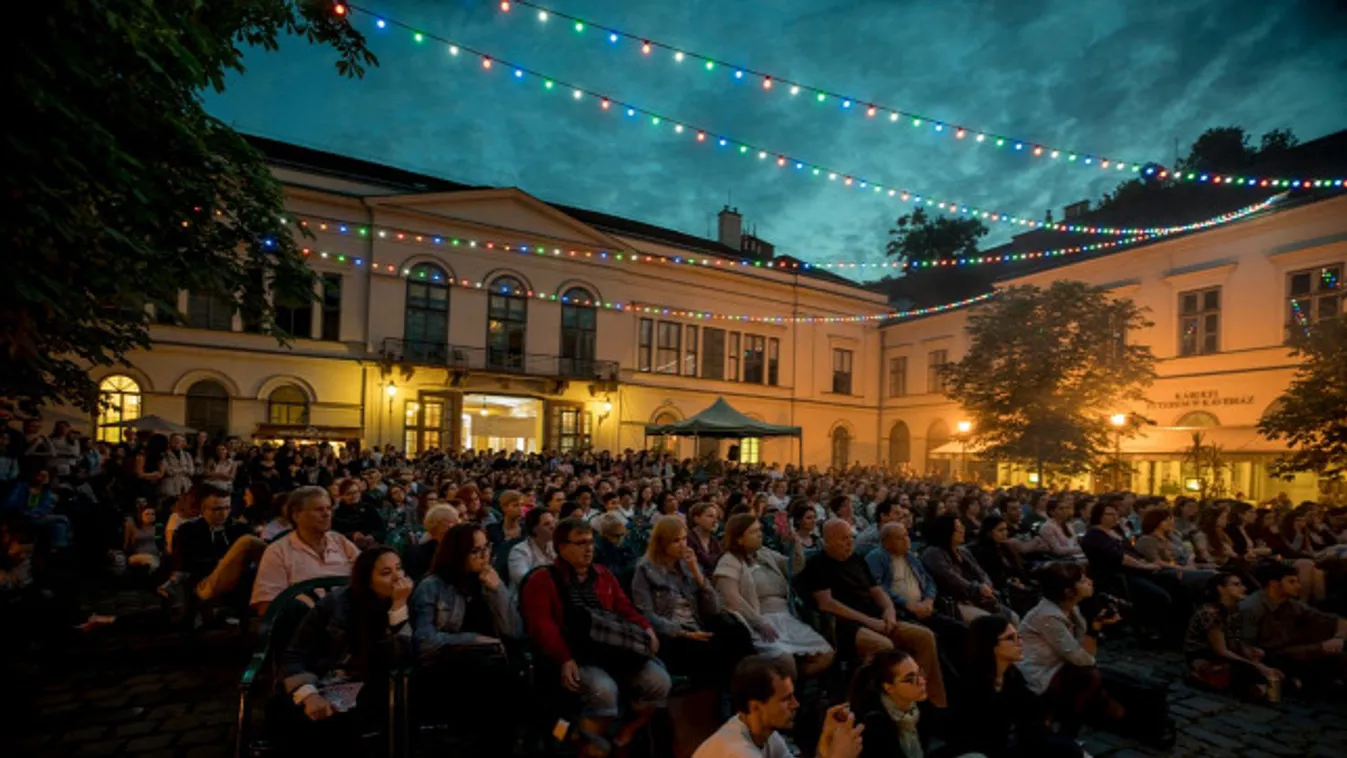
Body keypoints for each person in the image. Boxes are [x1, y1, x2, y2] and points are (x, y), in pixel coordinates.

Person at [520, 517, 671, 757]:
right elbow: (542, 627)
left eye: (591, 542)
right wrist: (564, 658)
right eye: (581, 543)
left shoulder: (603, 574)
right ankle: (584, 744)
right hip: (575, 654)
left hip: (610, 650)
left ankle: (625, 730)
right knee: (604, 690)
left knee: (659, 681)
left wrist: (646, 628)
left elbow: (625, 608)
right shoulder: (542, 580)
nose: (589, 548)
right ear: (562, 547)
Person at [795, 519, 947, 708]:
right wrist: (868, 621)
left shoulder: (857, 559)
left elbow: (877, 591)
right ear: (829, 540)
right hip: (845, 625)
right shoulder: (817, 564)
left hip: (877, 618)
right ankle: (888, 704)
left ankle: (929, 700)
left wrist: (889, 611)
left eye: (850, 537)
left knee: (924, 637)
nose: (849, 543)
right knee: (884, 646)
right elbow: (827, 604)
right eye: (843, 539)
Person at [278, 546, 412, 751]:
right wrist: (309, 695)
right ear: (367, 579)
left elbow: (400, 658)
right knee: (296, 716)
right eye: (386, 572)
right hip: (323, 678)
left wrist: (398, 608)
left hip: (370, 685)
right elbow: (295, 653)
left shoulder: (407, 601)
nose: (398, 578)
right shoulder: (336, 604)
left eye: (399, 568)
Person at [410, 523, 520, 750]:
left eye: (486, 547)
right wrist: (475, 640)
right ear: (457, 553)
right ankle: (557, 729)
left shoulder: (488, 580)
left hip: (492, 662)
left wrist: (498, 591)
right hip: (448, 665)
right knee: (496, 680)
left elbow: (514, 630)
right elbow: (425, 643)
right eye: (475, 551)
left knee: (503, 677)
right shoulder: (432, 586)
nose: (484, 556)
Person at [631, 515, 753, 682]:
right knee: (715, 651)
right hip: (672, 633)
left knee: (738, 633)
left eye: (684, 539)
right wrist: (685, 633)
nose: (683, 545)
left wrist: (695, 571)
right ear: (661, 543)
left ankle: (750, 684)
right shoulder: (645, 570)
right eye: (676, 541)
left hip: (696, 622)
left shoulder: (687, 565)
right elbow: (646, 614)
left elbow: (714, 607)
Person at [716, 513, 833, 676]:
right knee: (785, 662)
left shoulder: (764, 553)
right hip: (760, 622)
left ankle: (793, 683)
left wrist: (794, 542)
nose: (760, 534)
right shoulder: (729, 561)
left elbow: (794, 566)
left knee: (826, 654)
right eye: (753, 532)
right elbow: (732, 599)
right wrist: (759, 622)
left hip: (786, 618)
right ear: (739, 538)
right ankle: (787, 685)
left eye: (760, 530)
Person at [952, 615, 1082, 758]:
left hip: (1018, 741)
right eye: (1010, 638)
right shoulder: (973, 687)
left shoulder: (1011, 674)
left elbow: (1031, 708)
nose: (1019, 642)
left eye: (1018, 636)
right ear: (989, 644)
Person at [1016, 562, 1123, 737]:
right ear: (1068, 592)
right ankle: (1065, 730)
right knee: (1090, 677)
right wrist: (1093, 632)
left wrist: (1096, 626)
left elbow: (1084, 652)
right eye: (1082, 581)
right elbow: (1082, 658)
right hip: (1037, 673)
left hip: (1058, 665)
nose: (1089, 582)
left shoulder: (1071, 607)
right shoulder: (1048, 616)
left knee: (1097, 680)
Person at [693, 654, 863, 758]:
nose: (796, 704)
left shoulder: (766, 735)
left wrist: (826, 740)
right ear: (755, 707)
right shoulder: (737, 752)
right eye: (786, 699)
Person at [251, 486, 360, 615]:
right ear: (297, 515)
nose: (327, 514)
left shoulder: (340, 542)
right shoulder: (277, 551)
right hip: (304, 622)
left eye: (329, 508)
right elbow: (266, 604)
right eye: (319, 510)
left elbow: (367, 575)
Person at [1239, 562, 1347, 687]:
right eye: (1292, 582)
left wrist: (1339, 637)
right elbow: (1245, 647)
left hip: (1294, 652)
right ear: (1273, 583)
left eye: (1297, 582)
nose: (1298, 586)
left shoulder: (1292, 604)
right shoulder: (1252, 608)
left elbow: (1336, 620)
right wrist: (1321, 647)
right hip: (1270, 658)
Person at [1184, 571, 1281, 700]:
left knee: (1268, 660)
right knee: (1246, 671)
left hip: (1227, 653)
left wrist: (1250, 653)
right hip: (1206, 656)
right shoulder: (1211, 613)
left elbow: (1235, 639)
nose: (1243, 588)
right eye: (1236, 585)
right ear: (1221, 588)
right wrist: (1255, 665)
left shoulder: (1234, 610)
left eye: (1241, 584)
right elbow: (1221, 650)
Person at [167, 479, 266, 604]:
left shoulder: (240, 529)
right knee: (248, 541)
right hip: (205, 584)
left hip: (239, 582)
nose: (223, 513)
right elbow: (182, 565)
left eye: (227, 508)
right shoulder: (188, 531)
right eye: (217, 509)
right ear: (203, 509)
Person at [920, 515, 1015, 623]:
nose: (962, 531)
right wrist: (978, 588)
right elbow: (951, 578)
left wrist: (986, 585)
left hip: (976, 597)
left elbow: (981, 572)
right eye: (958, 529)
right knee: (990, 622)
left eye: (962, 527)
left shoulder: (963, 551)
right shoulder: (933, 553)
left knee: (1013, 618)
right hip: (953, 601)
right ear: (946, 531)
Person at [847, 649, 938, 758]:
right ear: (888, 687)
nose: (922, 681)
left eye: (920, 673)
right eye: (910, 679)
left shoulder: (920, 706)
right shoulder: (874, 725)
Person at [402, 503, 458, 580]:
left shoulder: (457, 549)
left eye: (455, 523)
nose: (452, 527)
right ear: (435, 524)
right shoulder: (417, 553)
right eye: (448, 523)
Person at [507, 506, 556, 589]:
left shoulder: (554, 545)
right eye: (547, 524)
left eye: (553, 522)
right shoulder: (519, 551)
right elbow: (524, 580)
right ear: (533, 529)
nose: (553, 526)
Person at [332, 478, 385, 550]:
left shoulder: (369, 508)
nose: (354, 495)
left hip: (371, 546)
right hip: (347, 548)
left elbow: (381, 529)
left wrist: (373, 536)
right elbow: (335, 535)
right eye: (349, 494)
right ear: (342, 496)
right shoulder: (337, 514)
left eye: (356, 492)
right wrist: (352, 536)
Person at [123, 501, 162, 573]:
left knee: (153, 563)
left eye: (152, 514)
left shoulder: (158, 526)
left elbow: (160, 543)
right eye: (147, 514)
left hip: (154, 555)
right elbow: (126, 544)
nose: (150, 516)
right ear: (141, 515)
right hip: (137, 556)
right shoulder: (133, 526)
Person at [688, 502, 724, 576]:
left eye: (716, 517)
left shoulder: (715, 542)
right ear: (696, 519)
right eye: (710, 516)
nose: (715, 521)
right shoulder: (688, 539)